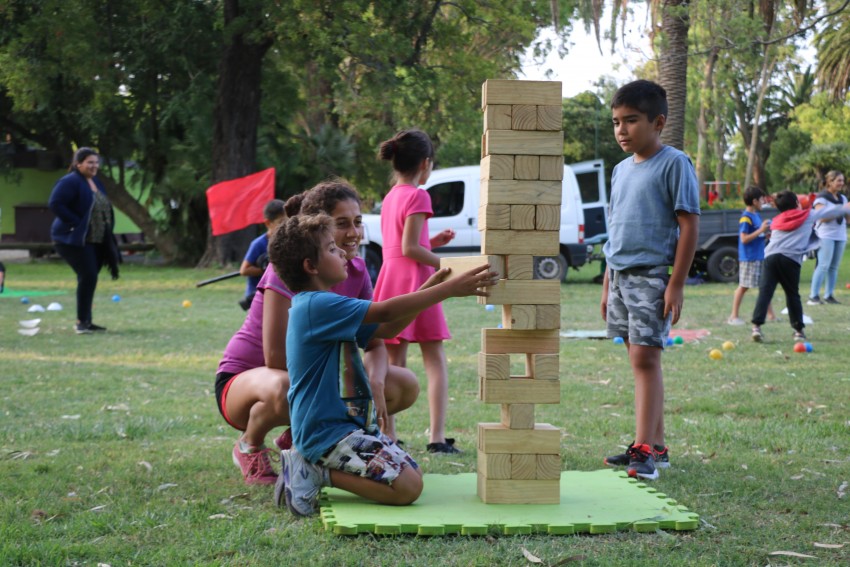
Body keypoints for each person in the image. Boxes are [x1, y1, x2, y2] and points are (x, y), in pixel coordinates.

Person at [268, 213, 496, 516]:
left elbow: (387, 330)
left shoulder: (326, 304)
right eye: (332, 249)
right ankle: (312, 470)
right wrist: (448, 290)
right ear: (311, 266)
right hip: (326, 433)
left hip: (345, 427)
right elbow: (386, 312)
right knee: (407, 488)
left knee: (412, 474)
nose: (342, 252)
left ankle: (317, 467)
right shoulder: (316, 305)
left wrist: (429, 287)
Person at [215, 180, 420, 485]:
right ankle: (249, 444)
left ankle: (296, 439)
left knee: (402, 383)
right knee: (284, 386)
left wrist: (375, 382)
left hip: (312, 382)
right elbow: (275, 356)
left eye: (357, 222)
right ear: (318, 228)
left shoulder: (356, 270)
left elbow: (375, 343)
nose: (354, 233)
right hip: (247, 381)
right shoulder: (289, 269)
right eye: (342, 224)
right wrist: (338, 391)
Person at [600, 80, 700, 481]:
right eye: (616, 122)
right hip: (620, 277)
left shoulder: (674, 163)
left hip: (652, 275)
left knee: (646, 359)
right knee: (637, 358)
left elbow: (689, 225)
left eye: (631, 121)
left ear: (658, 122)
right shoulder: (620, 170)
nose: (621, 130)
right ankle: (655, 445)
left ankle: (643, 452)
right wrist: (607, 283)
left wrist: (676, 283)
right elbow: (614, 230)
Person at [371, 129, 460, 454]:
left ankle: (389, 434)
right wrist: (447, 264)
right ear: (425, 163)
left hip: (392, 278)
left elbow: (400, 244)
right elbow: (411, 248)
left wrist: (432, 242)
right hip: (417, 280)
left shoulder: (391, 196)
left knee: (393, 360)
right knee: (434, 358)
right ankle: (437, 437)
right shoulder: (419, 196)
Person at [751, 190, 850, 343]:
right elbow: (831, 211)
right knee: (792, 294)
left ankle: (756, 327)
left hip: (770, 257)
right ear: (797, 203)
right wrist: (845, 207)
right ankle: (798, 331)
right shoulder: (808, 215)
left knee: (765, 292)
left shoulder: (776, 220)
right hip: (790, 259)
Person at [48, 147, 121, 334]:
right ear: (78, 164)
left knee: (89, 278)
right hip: (72, 239)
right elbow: (55, 203)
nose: (94, 166)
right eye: (90, 162)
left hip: (95, 239)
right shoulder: (70, 181)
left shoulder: (95, 181)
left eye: (96, 162)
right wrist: (75, 222)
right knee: (88, 276)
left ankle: (86, 321)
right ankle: (82, 323)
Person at [728, 186, 775, 325]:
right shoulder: (746, 218)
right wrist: (761, 230)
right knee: (743, 286)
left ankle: (771, 315)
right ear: (754, 201)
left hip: (759, 256)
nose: (763, 202)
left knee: (764, 286)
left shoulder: (756, 216)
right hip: (749, 258)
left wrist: (765, 235)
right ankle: (733, 316)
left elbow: (756, 235)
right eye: (761, 199)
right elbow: (744, 239)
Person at [807, 170, 848, 305]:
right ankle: (813, 296)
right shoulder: (821, 198)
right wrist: (842, 209)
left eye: (842, 180)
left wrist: (847, 211)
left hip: (840, 235)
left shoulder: (843, 198)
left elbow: (848, 219)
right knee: (823, 265)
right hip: (825, 235)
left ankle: (829, 295)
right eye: (839, 180)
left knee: (834, 267)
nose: (842, 183)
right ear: (830, 182)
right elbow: (822, 217)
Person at [238, 199, 286, 311]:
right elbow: (244, 270)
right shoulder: (258, 244)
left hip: (276, 293)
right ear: (268, 223)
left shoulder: (286, 242)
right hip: (256, 295)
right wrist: (267, 268)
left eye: (287, 222)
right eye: (280, 222)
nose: (284, 226)